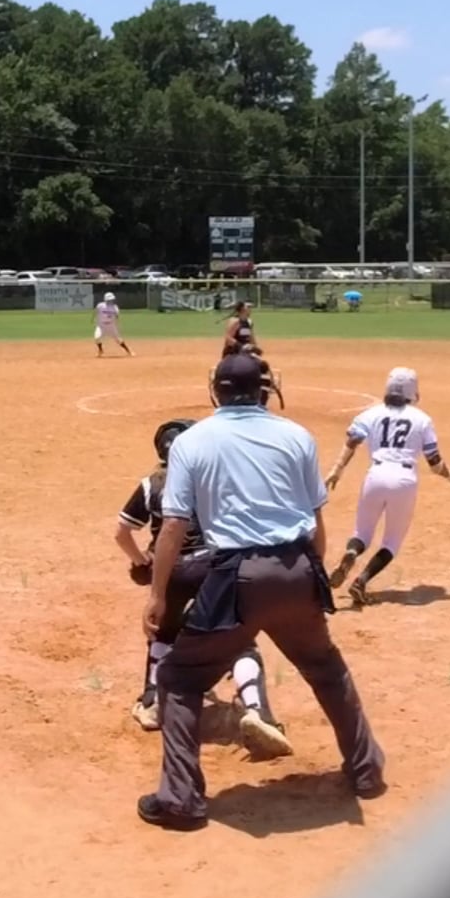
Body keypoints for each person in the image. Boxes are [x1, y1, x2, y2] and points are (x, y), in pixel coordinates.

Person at [138, 353, 385, 831]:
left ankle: (181, 799)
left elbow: (173, 526)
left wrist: (158, 594)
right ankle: (367, 771)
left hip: (237, 577)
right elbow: (315, 522)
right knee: (326, 669)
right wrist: (311, 577)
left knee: (180, 679)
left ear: (216, 391)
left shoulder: (192, 441)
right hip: (298, 566)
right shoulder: (297, 436)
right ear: (264, 391)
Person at [113, 418, 291, 760]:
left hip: (173, 570)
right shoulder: (217, 478)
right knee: (239, 641)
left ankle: (153, 702)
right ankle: (257, 711)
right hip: (216, 565)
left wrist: (142, 562)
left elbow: (122, 532)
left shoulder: (151, 484)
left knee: (162, 634)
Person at [324, 367, 450, 607]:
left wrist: (337, 469)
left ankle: (352, 553)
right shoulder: (422, 419)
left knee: (361, 534)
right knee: (392, 542)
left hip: (375, 475)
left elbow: (352, 441)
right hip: (404, 480)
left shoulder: (370, 414)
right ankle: (361, 581)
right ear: (412, 391)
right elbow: (434, 462)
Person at [94, 291, 132, 357]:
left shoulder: (115, 307)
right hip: (101, 326)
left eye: (111, 299)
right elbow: (95, 312)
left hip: (111, 326)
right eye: (109, 299)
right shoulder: (100, 305)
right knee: (97, 337)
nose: (110, 301)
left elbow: (117, 317)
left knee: (118, 339)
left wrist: (117, 323)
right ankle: (100, 350)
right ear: (105, 299)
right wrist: (94, 319)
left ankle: (128, 351)